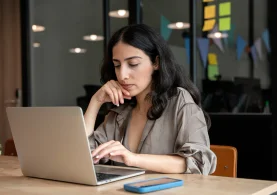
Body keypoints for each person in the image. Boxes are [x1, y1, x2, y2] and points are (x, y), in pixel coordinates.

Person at [84, 24, 216, 175]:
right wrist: (95, 101)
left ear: (156, 63)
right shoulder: (120, 110)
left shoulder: (179, 100)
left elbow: (199, 161)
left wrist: (133, 159)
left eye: (133, 64)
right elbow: (84, 157)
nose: (122, 75)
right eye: (117, 65)